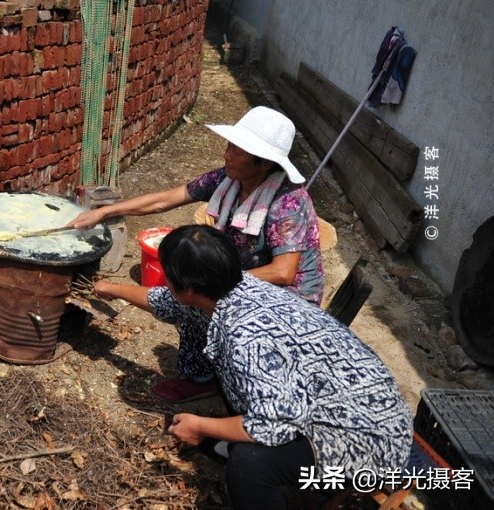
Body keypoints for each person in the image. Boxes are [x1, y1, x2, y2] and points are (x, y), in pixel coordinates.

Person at [70, 106, 325, 403]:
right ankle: (203, 372)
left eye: (238, 151)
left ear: (264, 163)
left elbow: (284, 272)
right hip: (243, 279)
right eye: (230, 145)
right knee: (191, 293)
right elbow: (166, 199)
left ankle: (198, 378)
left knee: (188, 300)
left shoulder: (288, 202)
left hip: (288, 298)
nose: (227, 154)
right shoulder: (227, 180)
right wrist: (105, 211)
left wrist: (216, 284)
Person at [157, 225, 411, 509]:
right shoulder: (242, 286)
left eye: (165, 271)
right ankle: (232, 446)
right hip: (368, 409)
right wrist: (111, 289)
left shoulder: (245, 338)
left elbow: (271, 425)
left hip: (372, 446)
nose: (163, 278)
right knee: (228, 407)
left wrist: (200, 424)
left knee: (249, 466)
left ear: (188, 288)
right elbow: (165, 302)